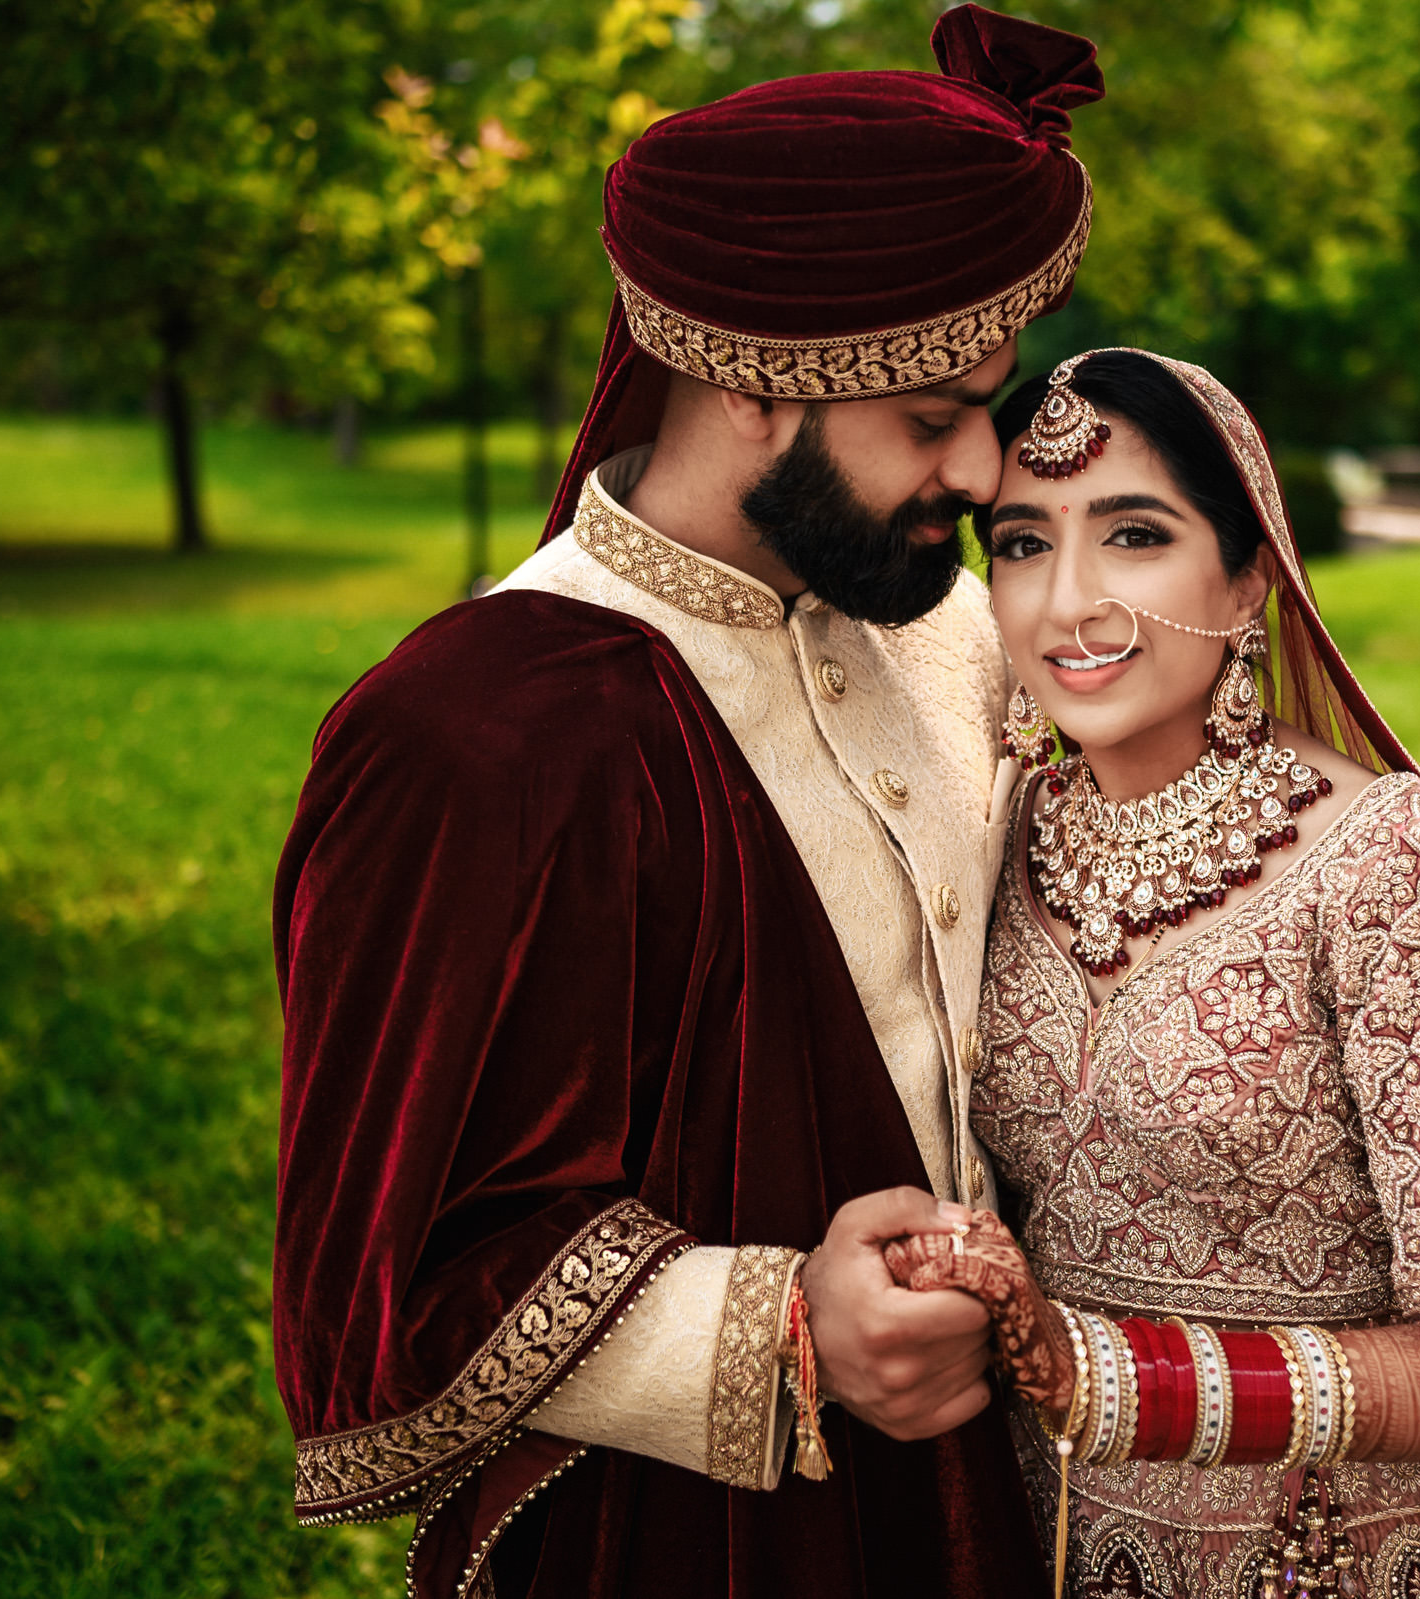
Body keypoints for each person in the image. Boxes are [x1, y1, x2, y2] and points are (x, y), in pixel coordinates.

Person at [269, 12, 1103, 1598]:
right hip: (676, 1543)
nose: (988, 470)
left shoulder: (954, 628)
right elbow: (383, 1277)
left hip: (999, 1503)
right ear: (752, 386)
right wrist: (785, 1324)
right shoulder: (480, 730)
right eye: (931, 416)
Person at [889, 350, 1420, 1599]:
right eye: (1019, 542)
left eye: (1134, 534)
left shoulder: (1391, 865)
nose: (1068, 604)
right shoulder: (995, 836)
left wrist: (1110, 1379)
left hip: (1337, 1557)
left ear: (1249, 575)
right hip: (1051, 1539)